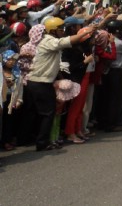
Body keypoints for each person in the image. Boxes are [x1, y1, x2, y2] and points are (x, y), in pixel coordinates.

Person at [24, 17, 95, 151]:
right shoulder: (48, 41)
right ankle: (41, 142)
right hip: (40, 82)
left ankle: (40, 140)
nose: (63, 31)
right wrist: (86, 32)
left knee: (44, 112)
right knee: (47, 113)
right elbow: (66, 41)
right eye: (60, 29)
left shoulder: (49, 40)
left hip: (42, 81)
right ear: (52, 31)